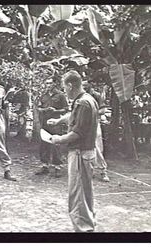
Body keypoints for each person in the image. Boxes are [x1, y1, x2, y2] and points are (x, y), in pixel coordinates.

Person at [47, 70, 98, 232]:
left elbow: (78, 133)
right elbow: (75, 116)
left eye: (64, 87)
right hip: (86, 152)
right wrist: (59, 119)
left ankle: (83, 229)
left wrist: (57, 139)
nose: (64, 91)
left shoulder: (82, 103)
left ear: (70, 85)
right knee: (85, 192)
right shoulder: (87, 100)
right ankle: (88, 222)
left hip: (79, 154)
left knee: (77, 195)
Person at [36, 78, 68, 177]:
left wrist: (56, 111)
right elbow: (39, 108)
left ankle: (57, 166)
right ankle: (45, 166)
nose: (48, 85)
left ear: (54, 84)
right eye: (47, 83)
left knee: (56, 145)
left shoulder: (60, 95)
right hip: (45, 123)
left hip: (56, 123)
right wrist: (44, 109)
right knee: (44, 144)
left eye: (50, 83)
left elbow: (66, 109)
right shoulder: (43, 95)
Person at [82, 81, 110, 182]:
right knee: (86, 147)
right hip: (84, 124)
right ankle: (90, 170)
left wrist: (91, 113)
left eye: (85, 86)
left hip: (94, 123)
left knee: (97, 146)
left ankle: (103, 170)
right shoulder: (82, 96)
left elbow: (102, 110)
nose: (83, 88)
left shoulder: (96, 95)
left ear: (90, 86)